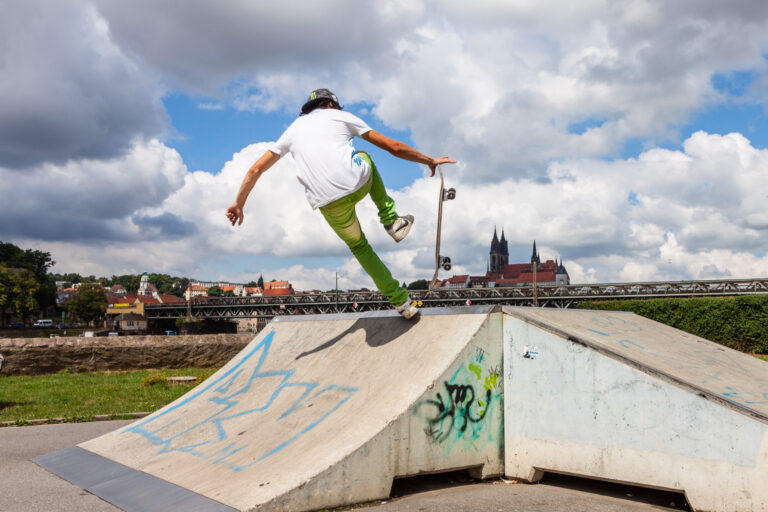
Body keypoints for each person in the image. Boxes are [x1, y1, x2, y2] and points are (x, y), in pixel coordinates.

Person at [226, 88, 455, 319]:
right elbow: (392, 147)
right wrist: (429, 160)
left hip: (328, 202)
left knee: (359, 247)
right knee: (366, 156)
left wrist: (239, 203)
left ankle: (402, 303)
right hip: (357, 181)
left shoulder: (292, 129)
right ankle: (391, 220)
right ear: (330, 105)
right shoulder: (341, 116)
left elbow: (255, 169)